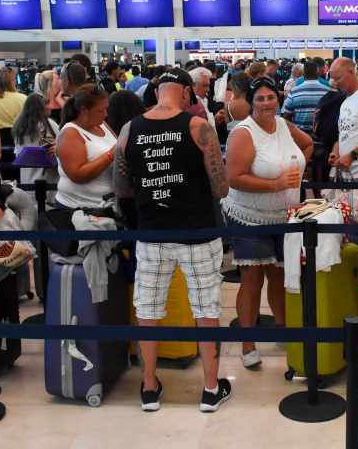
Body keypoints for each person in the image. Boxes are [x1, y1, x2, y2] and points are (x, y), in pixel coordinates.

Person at [113, 69, 232, 413]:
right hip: (197, 232)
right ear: (183, 92)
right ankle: (210, 389)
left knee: (148, 310)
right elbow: (221, 187)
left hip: (151, 232)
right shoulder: (197, 128)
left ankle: (149, 387)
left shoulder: (128, 130)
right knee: (206, 308)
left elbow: (121, 188)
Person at [222, 76, 312, 370]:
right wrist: (274, 184)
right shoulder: (243, 133)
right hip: (249, 217)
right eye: (259, 99)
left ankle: (284, 332)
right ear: (250, 102)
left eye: (270, 97)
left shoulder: (284, 125)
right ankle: (248, 345)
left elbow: (308, 145)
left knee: (279, 275)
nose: (265, 103)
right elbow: (233, 177)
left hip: (285, 217)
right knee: (252, 279)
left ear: (278, 99)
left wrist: (298, 168)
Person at [55, 85, 116, 210]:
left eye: (106, 109)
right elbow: (77, 175)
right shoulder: (70, 133)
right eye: (100, 111)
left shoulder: (102, 125)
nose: (105, 114)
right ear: (84, 110)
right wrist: (110, 155)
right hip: (79, 209)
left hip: (106, 205)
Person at [12, 92, 61, 190]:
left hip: (27, 181)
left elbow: (18, 154)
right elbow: (53, 148)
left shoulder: (19, 127)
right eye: (46, 104)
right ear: (39, 108)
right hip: (47, 183)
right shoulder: (48, 126)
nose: (50, 107)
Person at [281, 60, 329, 133]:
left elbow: (287, 116)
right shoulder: (327, 91)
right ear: (317, 72)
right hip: (322, 134)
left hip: (300, 134)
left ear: (303, 74)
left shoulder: (294, 92)